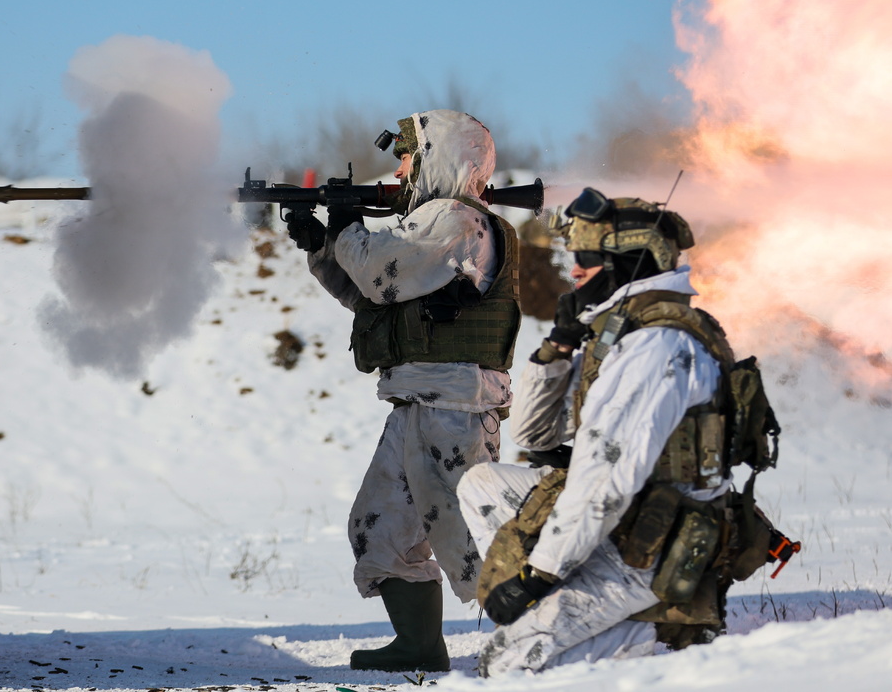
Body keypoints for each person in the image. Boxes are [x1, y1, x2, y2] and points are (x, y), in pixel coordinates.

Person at [457, 187, 746, 675]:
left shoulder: (657, 346)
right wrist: (558, 347)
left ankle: (652, 633)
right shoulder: (621, 332)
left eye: (586, 258)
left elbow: (604, 480)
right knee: (481, 484)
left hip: (646, 549)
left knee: (503, 666)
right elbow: (533, 433)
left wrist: (538, 575)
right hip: (620, 522)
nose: (573, 270)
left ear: (628, 263)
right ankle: (562, 617)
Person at [287, 110, 522, 672]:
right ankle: (419, 645)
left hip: (456, 408)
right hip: (419, 401)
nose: (400, 168)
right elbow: (371, 295)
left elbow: (379, 272)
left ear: (443, 157)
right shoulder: (429, 224)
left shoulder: (457, 221)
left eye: (410, 156)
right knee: (382, 525)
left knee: (475, 540)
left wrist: (345, 226)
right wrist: (323, 243)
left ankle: (561, 628)